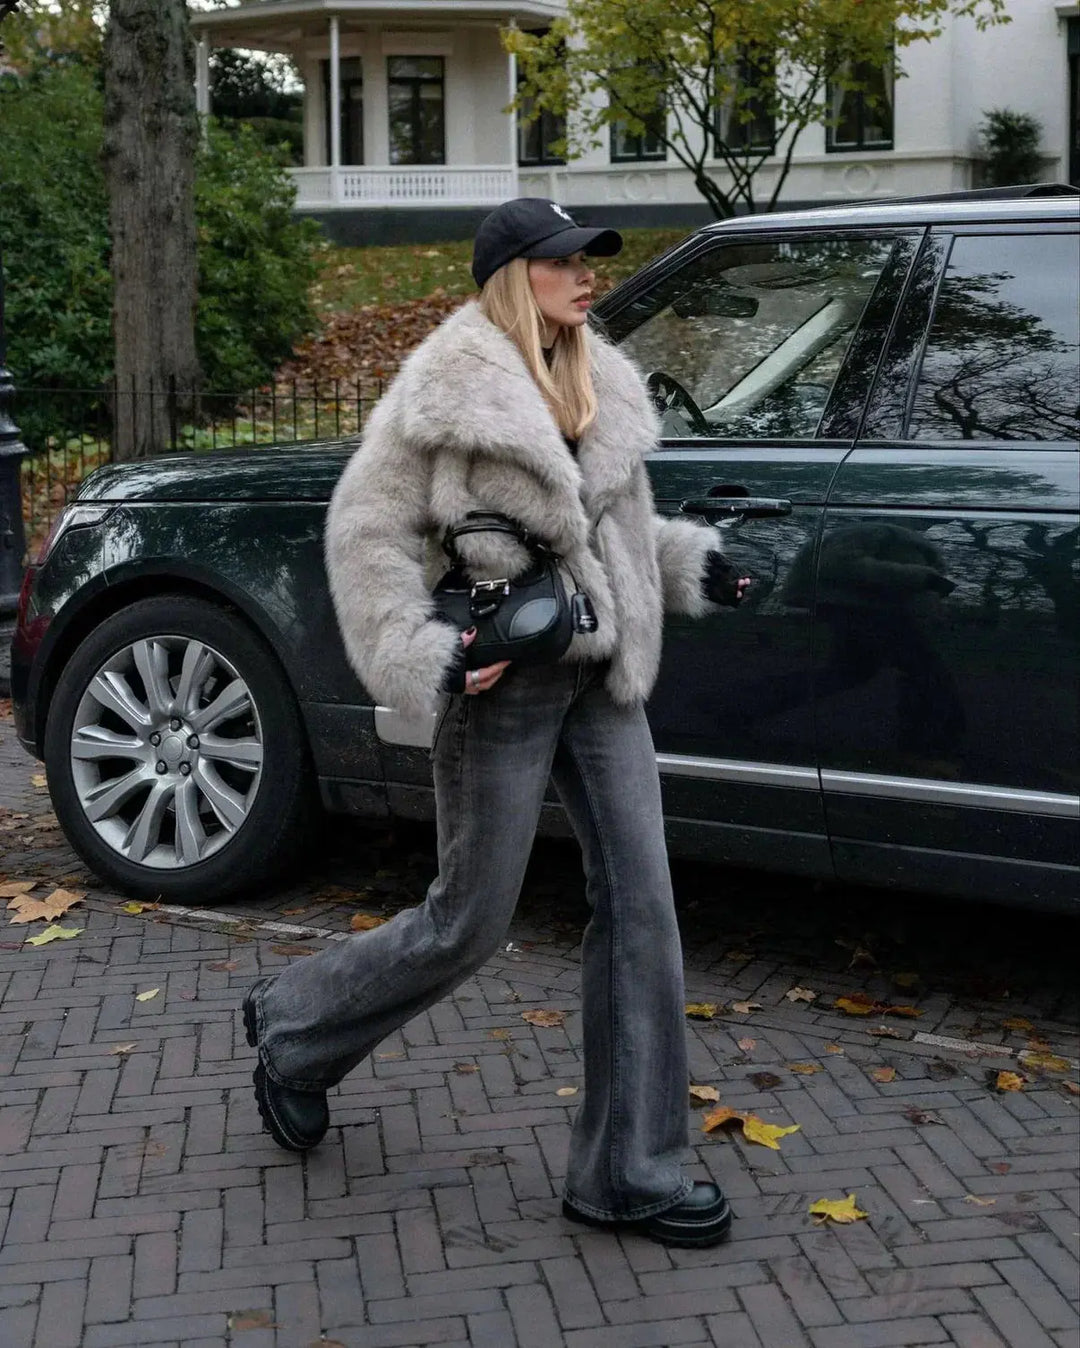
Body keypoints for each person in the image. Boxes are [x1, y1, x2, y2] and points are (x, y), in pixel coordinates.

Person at [241, 198, 750, 1249]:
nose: (587, 276)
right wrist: (426, 655)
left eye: (589, 260)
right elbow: (366, 535)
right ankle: (294, 1027)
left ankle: (626, 1172)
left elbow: (616, 531)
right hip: (501, 686)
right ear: (517, 273)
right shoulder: (445, 393)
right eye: (567, 260)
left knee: (644, 910)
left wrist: (694, 564)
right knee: (467, 921)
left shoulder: (596, 377)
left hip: (602, 679)